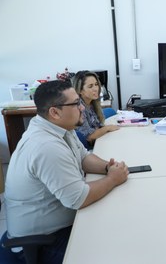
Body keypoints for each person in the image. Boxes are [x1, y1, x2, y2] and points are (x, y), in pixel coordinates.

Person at [1, 80, 129, 263]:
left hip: (57, 226)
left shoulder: (59, 127)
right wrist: (112, 180)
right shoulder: (46, 146)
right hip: (43, 242)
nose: (83, 108)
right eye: (76, 104)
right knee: (115, 252)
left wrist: (108, 167)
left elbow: (83, 157)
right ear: (55, 112)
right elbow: (79, 198)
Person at [73, 70, 119, 147]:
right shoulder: (79, 108)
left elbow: (98, 124)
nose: (96, 89)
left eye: (96, 84)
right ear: (80, 90)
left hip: (98, 138)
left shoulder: (93, 101)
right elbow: (89, 137)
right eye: (90, 86)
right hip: (87, 148)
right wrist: (107, 128)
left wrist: (103, 128)